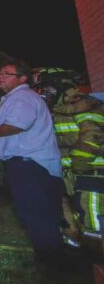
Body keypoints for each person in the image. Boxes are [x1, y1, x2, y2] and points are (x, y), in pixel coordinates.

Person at [0, 61, 69, 267]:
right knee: (39, 213)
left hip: (30, 165)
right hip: (29, 165)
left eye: (7, 73)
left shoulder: (22, 97)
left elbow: (17, 125)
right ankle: (52, 256)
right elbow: (7, 127)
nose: (0, 76)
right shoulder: (13, 99)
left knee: (36, 213)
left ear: (22, 78)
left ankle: (51, 261)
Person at [31, 68, 104, 247]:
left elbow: (93, 134)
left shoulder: (85, 103)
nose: (44, 93)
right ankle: (86, 257)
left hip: (91, 172)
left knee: (93, 218)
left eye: (47, 88)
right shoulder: (57, 109)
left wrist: (79, 163)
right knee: (75, 215)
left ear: (61, 85)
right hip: (71, 174)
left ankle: (97, 256)